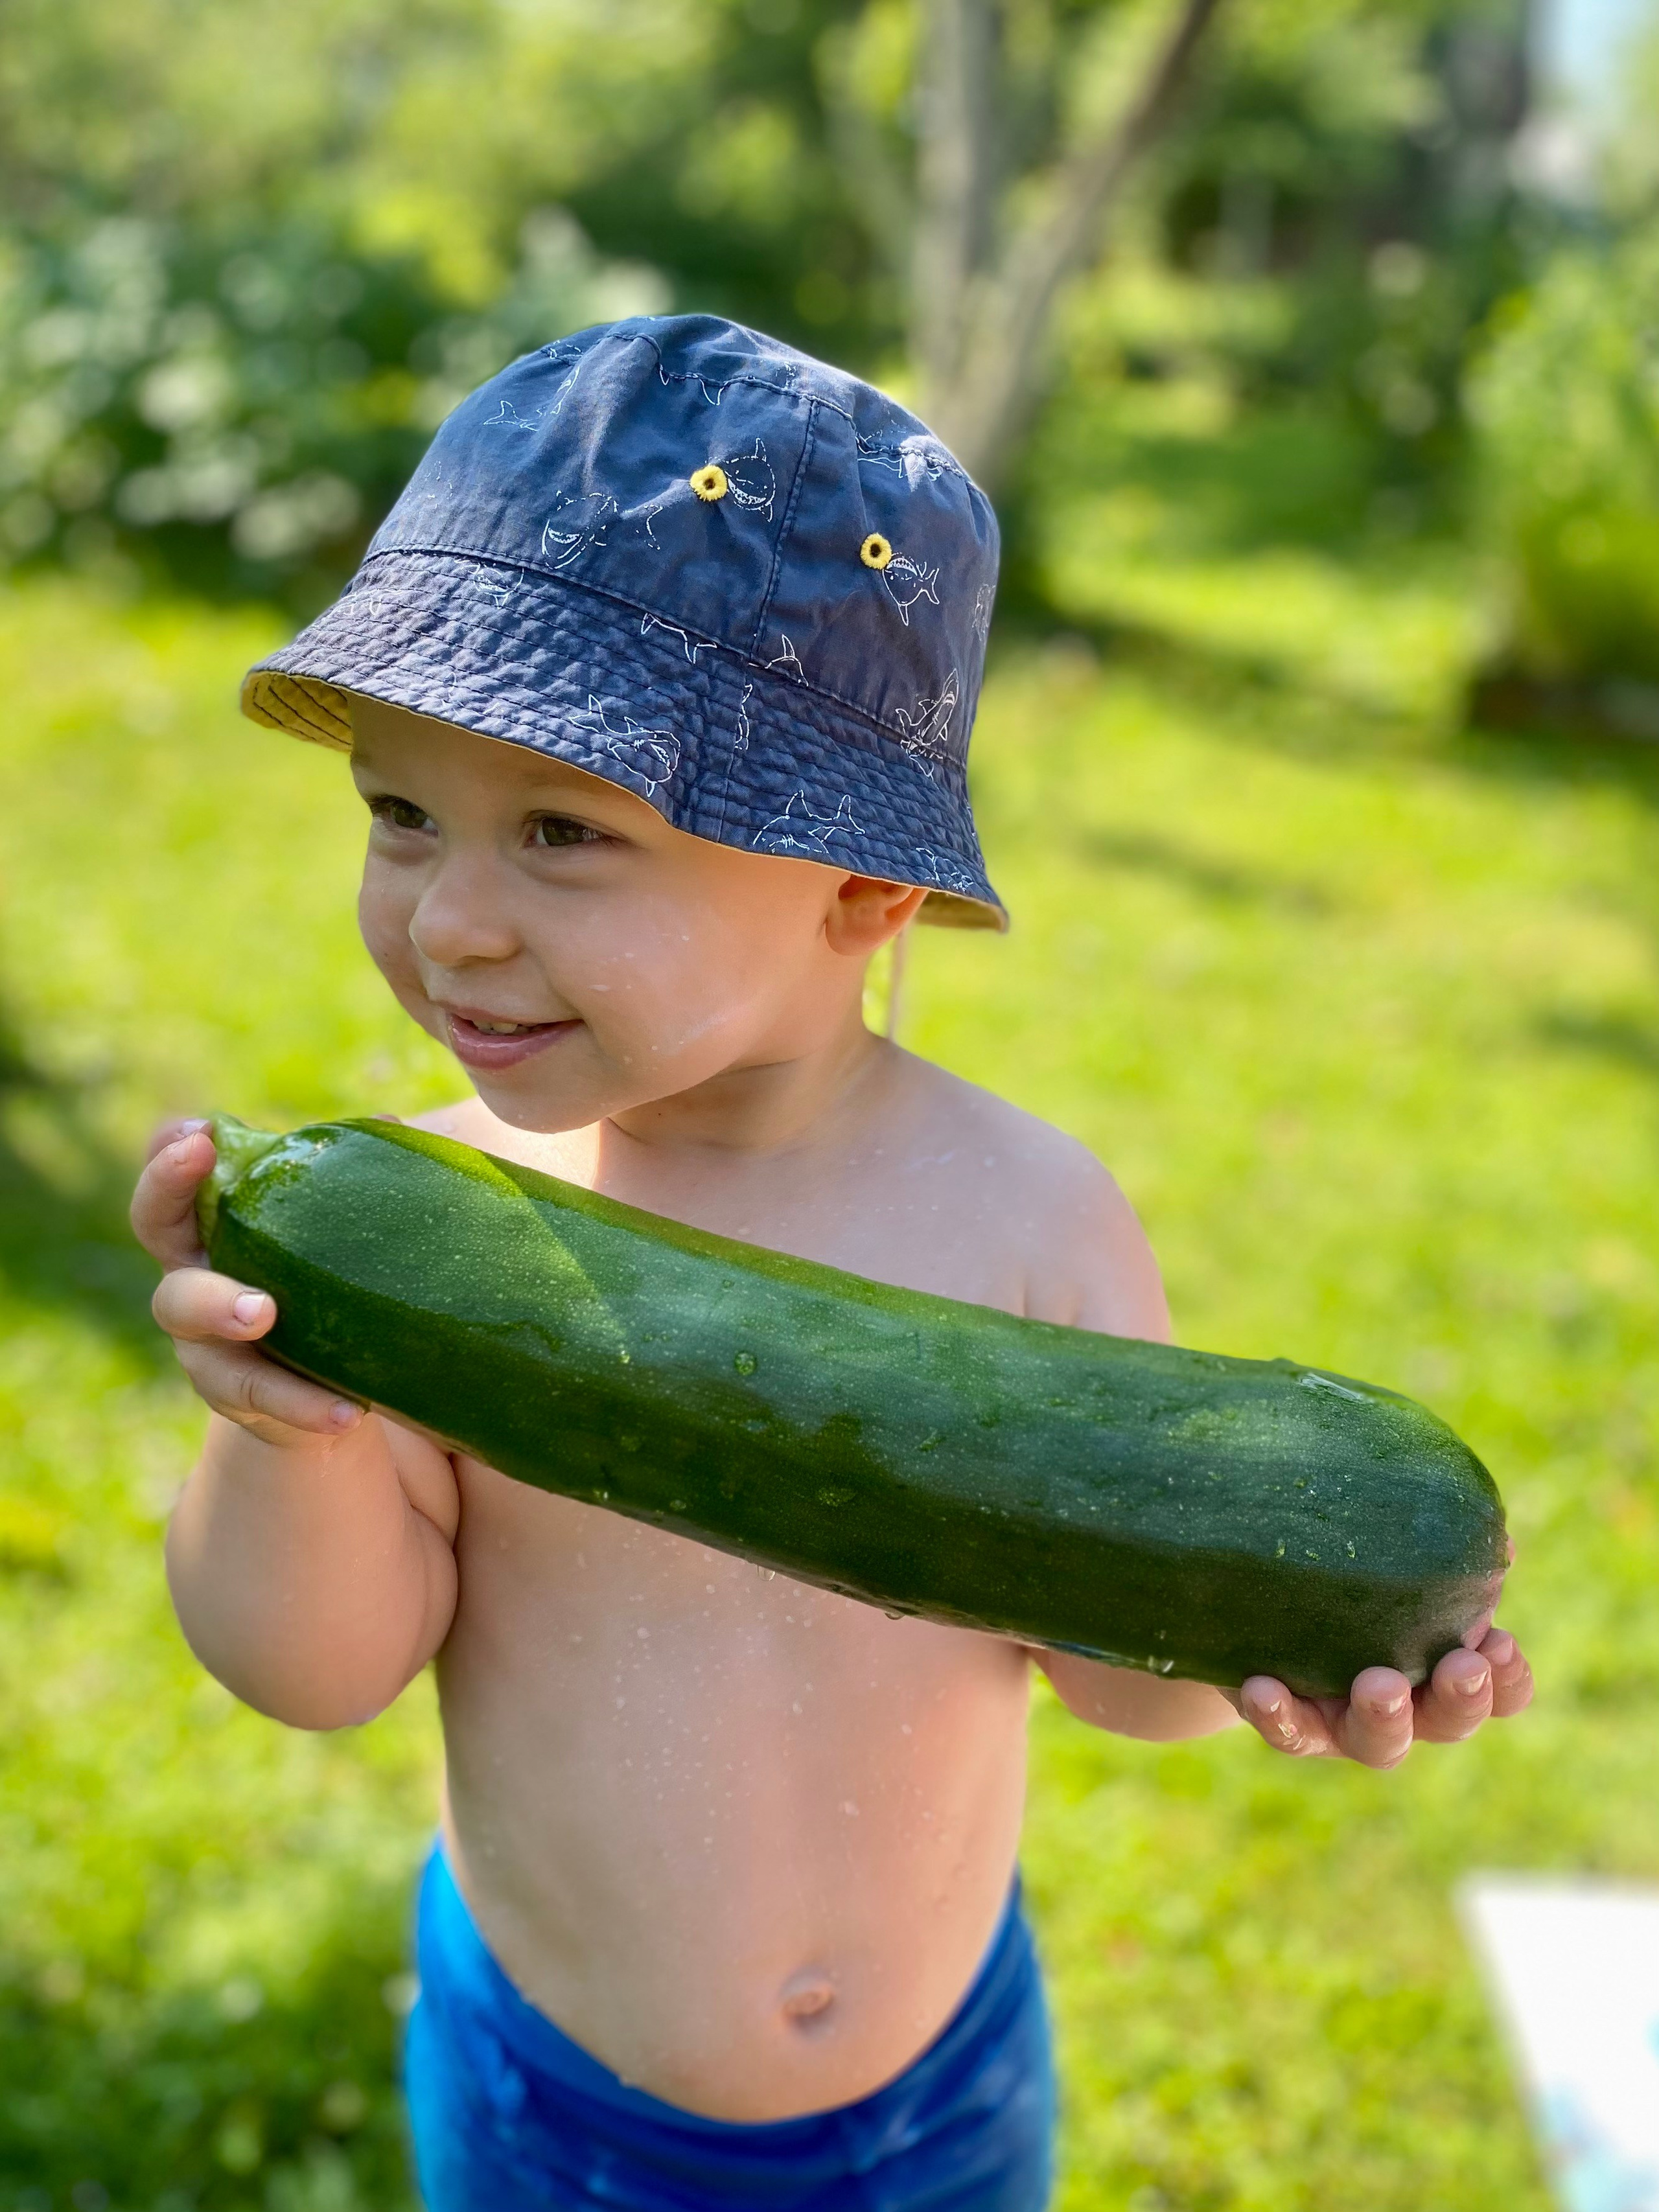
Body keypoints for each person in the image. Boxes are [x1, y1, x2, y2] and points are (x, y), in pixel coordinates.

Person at [130, 316, 1532, 2212]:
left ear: (862, 887)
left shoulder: (1029, 1222)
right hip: (562, 2109)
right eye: (400, 816)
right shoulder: (445, 1242)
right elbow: (311, 1669)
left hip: (941, 2095)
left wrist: (1292, 1647)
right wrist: (285, 1435)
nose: (449, 920)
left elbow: (1127, 1673)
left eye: (560, 832)